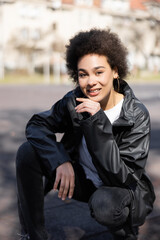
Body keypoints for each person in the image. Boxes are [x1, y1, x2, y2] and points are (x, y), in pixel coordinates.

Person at [16, 28, 155, 240]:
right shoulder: (74, 101)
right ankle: (34, 235)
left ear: (115, 71)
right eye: (83, 74)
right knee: (27, 152)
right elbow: (36, 125)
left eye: (99, 72)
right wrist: (60, 160)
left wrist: (96, 122)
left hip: (116, 189)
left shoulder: (136, 114)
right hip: (82, 180)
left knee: (104, 205)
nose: (91, 82)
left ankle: (125, 233)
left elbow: (122, 177)